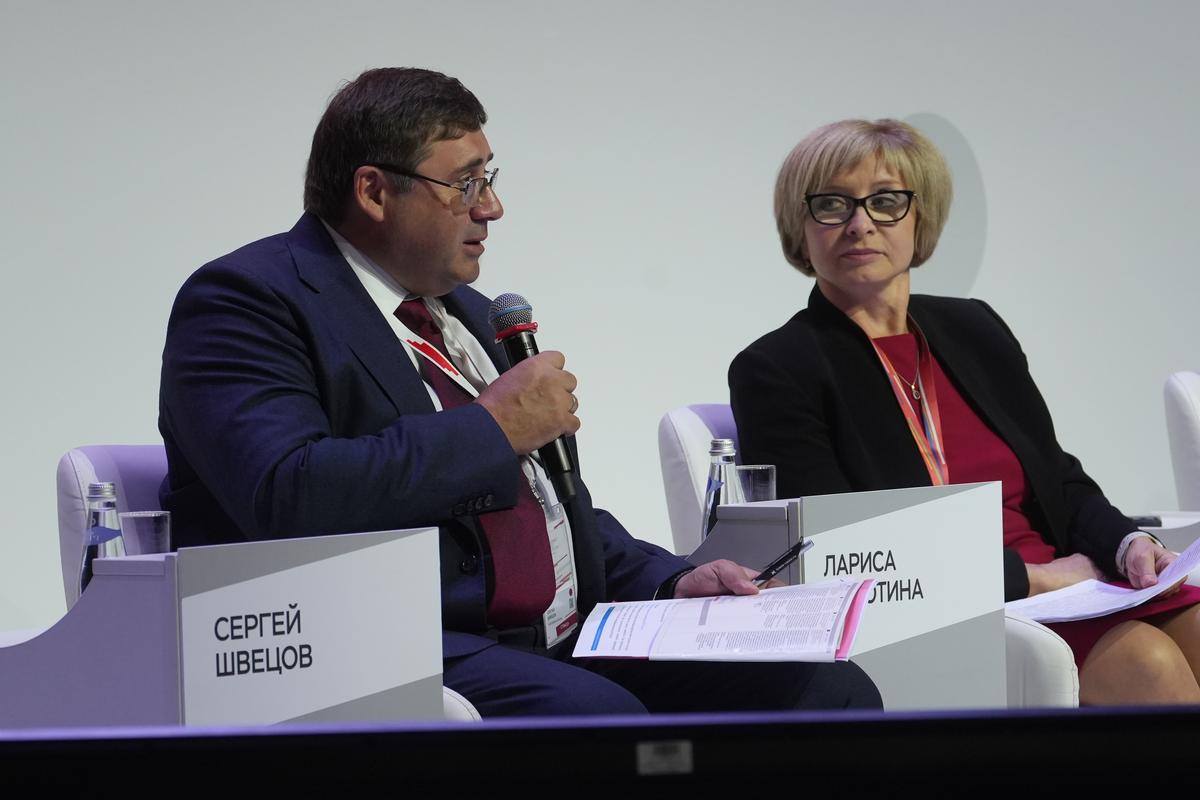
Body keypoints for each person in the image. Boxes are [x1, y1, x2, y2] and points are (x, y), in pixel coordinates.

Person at [158, 67, 880, 716]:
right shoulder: (249, 301)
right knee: (597, 720)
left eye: (490, 178)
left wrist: (671, 582)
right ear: (374, 191)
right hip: (385, 644)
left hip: (561, 634)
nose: (492, 207)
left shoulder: (466, 315)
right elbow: (288, 492)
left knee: (824, 686)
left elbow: (547, 512)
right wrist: (494, 427)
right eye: (466, 184)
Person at [729, 118, 1200, 705]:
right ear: (799, 228)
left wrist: (1127, 544)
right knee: (1147, 661)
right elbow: (839, 547)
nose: (860, 223)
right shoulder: (777, 368)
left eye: (885, 202)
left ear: (920, 217)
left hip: (1073, 587)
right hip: (952, 613)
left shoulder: (975, 328)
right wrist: (1032, 578)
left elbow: (1057, 479)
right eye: (832, 204)